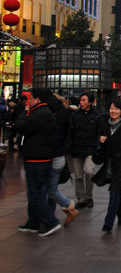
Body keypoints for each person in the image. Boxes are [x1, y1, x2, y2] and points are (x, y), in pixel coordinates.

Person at [16, 88, 61, 236]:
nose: (28, 101)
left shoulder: (40, 113)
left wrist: (25, 111)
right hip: (39, 157)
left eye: (31, 98)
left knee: (35, 193)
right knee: (34, 192)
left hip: (37, 158)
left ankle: (50, 221)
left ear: (38, 99)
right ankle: (33, 222)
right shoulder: (43, 113)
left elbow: (21, 125)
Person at [99, 98, 121, 233]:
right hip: (109, 163)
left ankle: (108, 222)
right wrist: (102, 140)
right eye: (111, 108)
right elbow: (101, 141)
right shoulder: (105, 125)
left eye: (116, 109)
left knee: (113, 191)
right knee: (117, 190)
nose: (113, 111)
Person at [46, 93, 79, 227]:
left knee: (51, 189)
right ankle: (49, 215)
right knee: (52, 187)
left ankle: (68, 206)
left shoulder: (55, 120)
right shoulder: (65, 116)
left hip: (54, 156)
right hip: (60, 156)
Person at [69, 93, 101, 209]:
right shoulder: (75, 115)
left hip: (90, 149)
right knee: (78, 175)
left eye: (84, 100)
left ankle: (88, 196)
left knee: (89, 172)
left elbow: (99, 131)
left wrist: (97, 146)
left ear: (90, 102)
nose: (81, 102)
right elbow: (70, 132)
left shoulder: (96, 116)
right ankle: (81, 198)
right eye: (81, 100)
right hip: (77, 149)